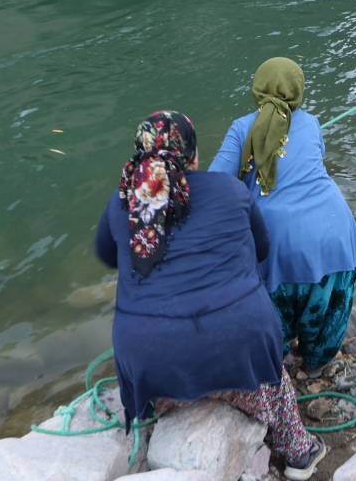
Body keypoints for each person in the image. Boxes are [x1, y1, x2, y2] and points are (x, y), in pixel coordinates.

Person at [95, 111, 327, 480]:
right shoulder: (230, 189)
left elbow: (108, 255)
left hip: (154, 367)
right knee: (275, 379)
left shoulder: (121, 203)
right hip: (239, 352)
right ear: (193, 156)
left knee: (163, 359)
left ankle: (169, 415)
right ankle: (298, 452)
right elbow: (262, 249)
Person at [210, 57, 356, 374]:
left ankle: (276, 369)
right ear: (298, 91)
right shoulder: (311, 123)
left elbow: (216, 187)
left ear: (258, 89)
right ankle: (316, 366)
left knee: (272, 314)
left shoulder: (242, 129)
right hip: (335, 232)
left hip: (278, 242)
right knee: (326, 303)